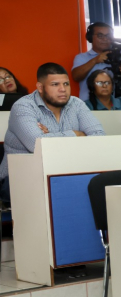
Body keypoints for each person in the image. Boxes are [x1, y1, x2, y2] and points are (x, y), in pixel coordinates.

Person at [0, 63, 105, 204]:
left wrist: (49, 137)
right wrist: (77, 134)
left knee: (96, 183)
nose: (63, 89)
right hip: (18, 177)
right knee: (66, 190)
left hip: (64, 171)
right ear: (40, 87)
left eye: (66, 84)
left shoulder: (76, 104)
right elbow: (37, 145)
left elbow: (99, 137)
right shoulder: (23, 106)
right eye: (55, 84)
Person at [72, 22, 121, 101]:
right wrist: (95, 60)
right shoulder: (81, 57)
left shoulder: (118, 57)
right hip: (89, 105)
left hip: (116, 105)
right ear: (90, 37)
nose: (105, 39)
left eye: (108, 36)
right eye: (100, 35)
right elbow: (76, 76)